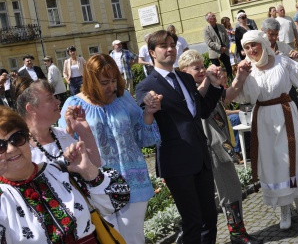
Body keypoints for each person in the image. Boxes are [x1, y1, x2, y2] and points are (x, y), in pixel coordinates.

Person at [235, 30, 298, 230]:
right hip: (263, 118)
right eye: (246, 47)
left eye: (254, 45)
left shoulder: (282, 62)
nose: (251, 50)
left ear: (263, 43)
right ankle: (283, 207)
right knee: (272, 162)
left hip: (285, 113)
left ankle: (293, 200)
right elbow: (243, 98)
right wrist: (241, 76)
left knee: (289, 158)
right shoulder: (248, 70)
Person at [59, 53, 161, 244]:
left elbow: (144, 136)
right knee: (109, 240)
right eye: (105, 82)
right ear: (91, 80)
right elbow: (65, 147)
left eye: (114, 80)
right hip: (97, 185)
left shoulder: (123, 99)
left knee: (133, 238)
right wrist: (69, 128)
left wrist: (149, 112)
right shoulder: (73, 104)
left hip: (133, 181)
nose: (112, 87)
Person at [136, 30, 223, 244]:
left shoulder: (184, 77)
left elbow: (200, 112)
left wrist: (216, 86)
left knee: (210, 217)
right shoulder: (146, 86)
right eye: (163, 46)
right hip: (176, 162)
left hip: (200, 157)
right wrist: (149, 108)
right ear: (151, 53)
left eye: (172, 45)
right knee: (192, 221)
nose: (169, 49)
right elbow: (144, 121)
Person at [0, 106, 130, 243]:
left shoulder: (61, 170)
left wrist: (88, 170)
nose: (11, 149)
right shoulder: (3, 196)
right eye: (0, 146)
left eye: (17, 138)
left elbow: (119, 199)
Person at [178, 50, 262, 244]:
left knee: (224, 191)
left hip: (218, 147)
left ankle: (232, 232)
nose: (201, 70)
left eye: (201, 66)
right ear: (183, 71)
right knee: (228, 190)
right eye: (195, 67)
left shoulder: (206, 87)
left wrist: (240, 77)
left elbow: (226, 97)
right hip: (211, 149)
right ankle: (236, 234)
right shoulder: (191, 92)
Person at [14, 78, 102, 168]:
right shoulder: (18, 149)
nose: (58, 102)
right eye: (50, 99)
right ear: (31, 108)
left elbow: (95, 169)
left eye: (54, 97)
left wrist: (84, 132)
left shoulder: (62, 135)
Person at [261, 17, 298, 112]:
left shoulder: (283, 46)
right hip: (270, 93)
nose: (274, 38)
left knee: (293, 114)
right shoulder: (258, 49)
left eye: (276, 35)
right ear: (263, 32)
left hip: (288, 91)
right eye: (271, 34)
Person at [204, 12, 233, 78]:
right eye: (213, 16)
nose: (215, 17)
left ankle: (230, 81)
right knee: (217, 71)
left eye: (214, 15)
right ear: (209, 19)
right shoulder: (206, 30)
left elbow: (226, 38)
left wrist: (225, 46)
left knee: (229, 68)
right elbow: (209, 42)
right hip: (215, 53)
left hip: (224, 51)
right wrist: (220, 48)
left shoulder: (221, 26)